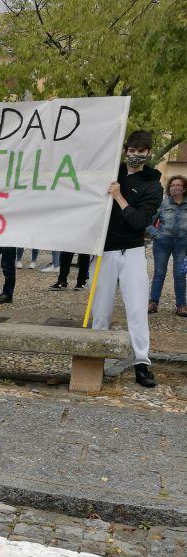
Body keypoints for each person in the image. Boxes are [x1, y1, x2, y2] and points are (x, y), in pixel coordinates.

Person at [91, 130, 163, 387]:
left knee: (136, 309)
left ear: (148, 153)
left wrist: (119, 197)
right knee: (100, 308)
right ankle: (93, 358)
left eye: (140, 152)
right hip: (105, 251)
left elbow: (140, 221)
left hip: (132, 252)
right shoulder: (112, 172)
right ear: (125, 151)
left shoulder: (153, 185)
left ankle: (141, 363)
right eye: (131, 151)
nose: (135, 155)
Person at [149, 175, 187, 316]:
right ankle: (153, 302)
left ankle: (181, 306)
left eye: (178, 185)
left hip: (182, 244)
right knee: (159, 273)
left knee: (180, 274)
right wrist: (156, 235)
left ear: (184, 189)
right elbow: (148, 221)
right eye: (172, 185)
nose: (175, 188)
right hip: (162, 244)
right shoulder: (163, 204)